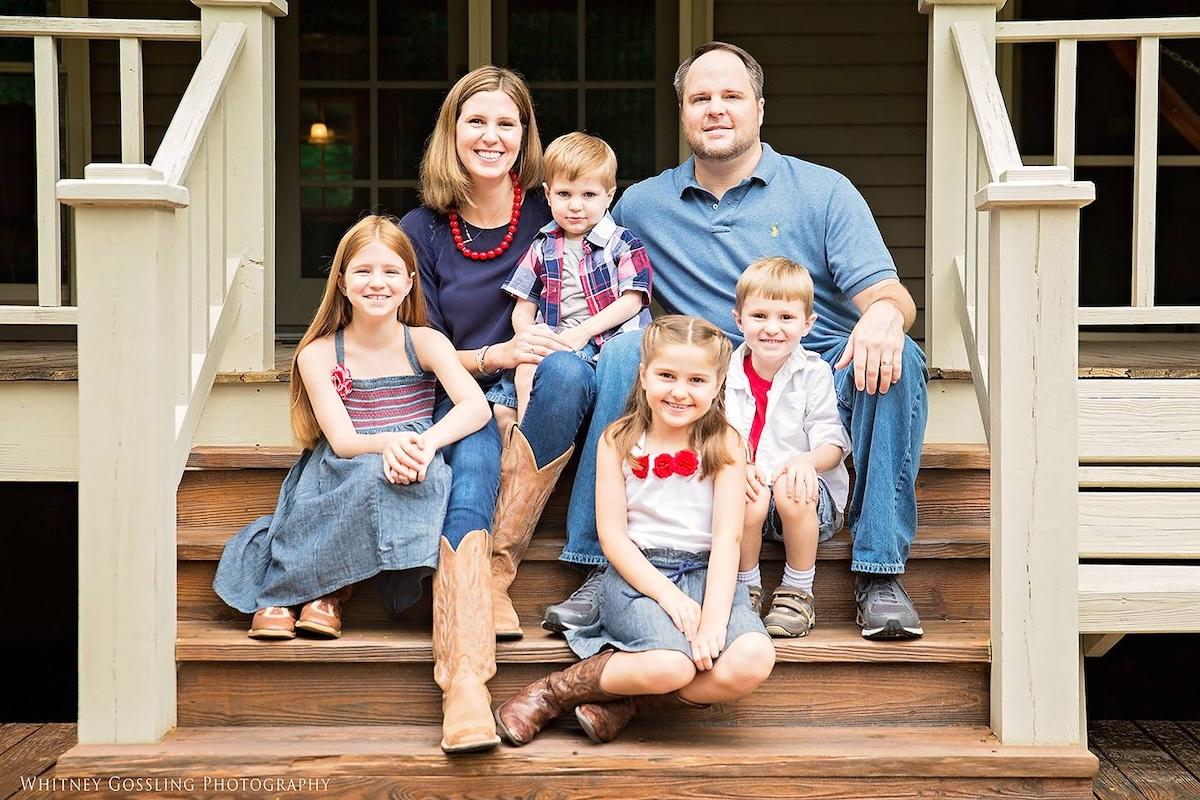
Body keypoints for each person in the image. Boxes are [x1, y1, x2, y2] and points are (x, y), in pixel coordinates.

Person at [546, 41, 929, 641]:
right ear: (683, 113)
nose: (716, 109)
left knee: (898, 353)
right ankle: (602, 565)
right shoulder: (642, 205)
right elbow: (573, 259)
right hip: (707, 376)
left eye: (732, 96)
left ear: (759, 109)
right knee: (627, 348)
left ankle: (878, 569)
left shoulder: (823, 191)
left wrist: (886, 314)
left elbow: (891, 294)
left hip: (809, 366)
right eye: (701, 98)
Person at [212, 216, 491, 749]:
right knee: (364, 476)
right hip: (346, 464)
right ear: (342, 281)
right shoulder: (319, 353)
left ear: (411, 281)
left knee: (426, 481)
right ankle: (308, 589)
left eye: (391, 271)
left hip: (412, 461)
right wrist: (390, 444)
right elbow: (341, 441)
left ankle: (330, 591)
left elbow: (475, 407)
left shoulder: (426, 342)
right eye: (363, 270)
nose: (377, 282)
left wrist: (425, 444)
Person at [399, 66, 611, 748]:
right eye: (476, 121)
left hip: (545, 395)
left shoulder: (560, 211)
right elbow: (414, 346)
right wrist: (492, 363)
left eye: (506, 124)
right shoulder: (424, 230)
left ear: (526, 138)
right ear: (451, 132)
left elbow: (612, 300)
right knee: (477, 449)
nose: (490, 136)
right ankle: (463, 687)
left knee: (572, 372)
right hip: (453, 396)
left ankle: (499, 572)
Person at [494, 316, 775, 746]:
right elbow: (614, 539)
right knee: (674, 664)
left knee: (753, 657)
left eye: (697, 379)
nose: (680, 391)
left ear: (718, 384)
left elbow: (727, 541)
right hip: (639, 578)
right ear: (643, 375)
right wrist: (670, 597)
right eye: (666, 375)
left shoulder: (727, 443)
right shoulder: (619, 441)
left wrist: (714, 621)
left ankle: (629, 702)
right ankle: (553, 692)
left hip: (710, 576)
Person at [488, 131, 652, 431]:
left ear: (609, 195)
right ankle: (527, 446)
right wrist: (530, 336)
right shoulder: (542, 245)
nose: (575, 205)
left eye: (588, 195)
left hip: (604, 344)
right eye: (565, 194)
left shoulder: (623, 243)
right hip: (554, 339)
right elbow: (523, 305)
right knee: (514, 388)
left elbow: (633, 300)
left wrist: (584, 332)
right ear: (548, 194)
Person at [726, 257, 851, 638]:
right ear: (739, 319)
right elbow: (713, 436)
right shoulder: (723, 373)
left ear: (807, 324)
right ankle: (745, 587)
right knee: (741, 487)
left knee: (789, 487)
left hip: (807, 501)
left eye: (786, 317)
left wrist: (806, 462)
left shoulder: (814, 373)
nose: (772, 328)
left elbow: (833, 442)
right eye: (760, 315)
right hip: (750, 502)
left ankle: (798, 590)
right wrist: (736, 466)